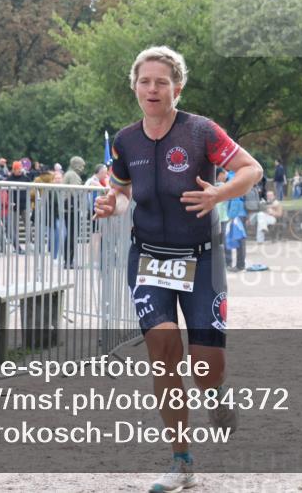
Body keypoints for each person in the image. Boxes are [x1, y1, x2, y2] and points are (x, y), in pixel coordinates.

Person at [93, 46, 262, 492]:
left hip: (202, 258)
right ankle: (181, 461)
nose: (152, 89)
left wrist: (219, 194)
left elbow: (252, 169)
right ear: (135, 87)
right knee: (164, 353)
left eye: (161, 82)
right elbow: (121, 191)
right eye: (145, 81)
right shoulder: (126, 141)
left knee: (206, 367)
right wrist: (112, 204)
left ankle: (216, 392)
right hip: (149, 258)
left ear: (177, 88)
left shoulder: (201, 131)